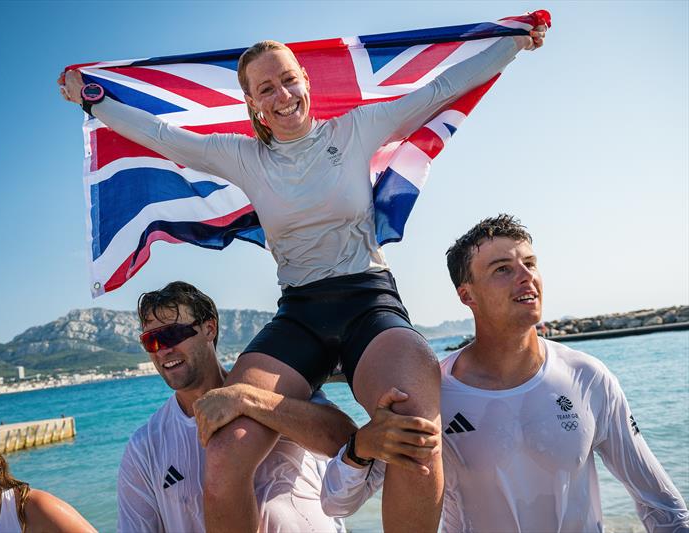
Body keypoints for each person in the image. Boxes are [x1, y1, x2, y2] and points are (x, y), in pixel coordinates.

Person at [59, 23, 547, 533]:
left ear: (306, 83)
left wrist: (513, 44)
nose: (282, 95)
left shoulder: (355, 130)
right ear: (253, 103)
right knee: (224, 449)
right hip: (300, 313)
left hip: (368, 302)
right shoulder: (245, 157)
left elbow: (438, 90)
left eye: (289, 80)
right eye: (266, 88)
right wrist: (93, 101)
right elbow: (165, 138)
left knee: (415, 434)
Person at [320, 214, 689, 532]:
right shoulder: (435, 393)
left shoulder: (588, 378)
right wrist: (361, 445)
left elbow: (661, 504)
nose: (526, 277)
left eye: (530, 263)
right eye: (503, 270)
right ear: (467, 295)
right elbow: (336, 504)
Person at [119, 280, 360, 532]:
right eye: (152, 342)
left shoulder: (272, 384)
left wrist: (248, 401)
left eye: (172, 335)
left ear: (209, 328)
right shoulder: (145, 448)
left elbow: (349, 440)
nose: (163, 351)